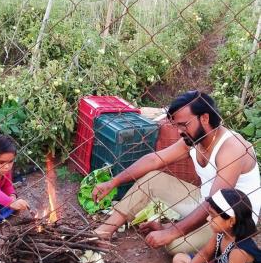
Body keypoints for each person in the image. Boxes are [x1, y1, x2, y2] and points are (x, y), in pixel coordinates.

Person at [92, 91, 260, 254]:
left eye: (184, 125)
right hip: (204, 201)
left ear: (205, 118)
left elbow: (216, 201)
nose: (179, 131)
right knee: (152, 179)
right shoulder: (195, 139)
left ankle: (219, 251)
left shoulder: (232, 148)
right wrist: (113, 182)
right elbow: (154, 160)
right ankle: (104, 232)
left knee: (174, 245)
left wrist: (171, 232)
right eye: (177, 125)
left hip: (232, 220)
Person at [172, 189, 260, 263]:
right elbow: (205, 253)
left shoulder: (239, 251)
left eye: (213, 216)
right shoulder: (222, 232)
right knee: (179, 259)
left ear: (231, 221)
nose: (208, 219)